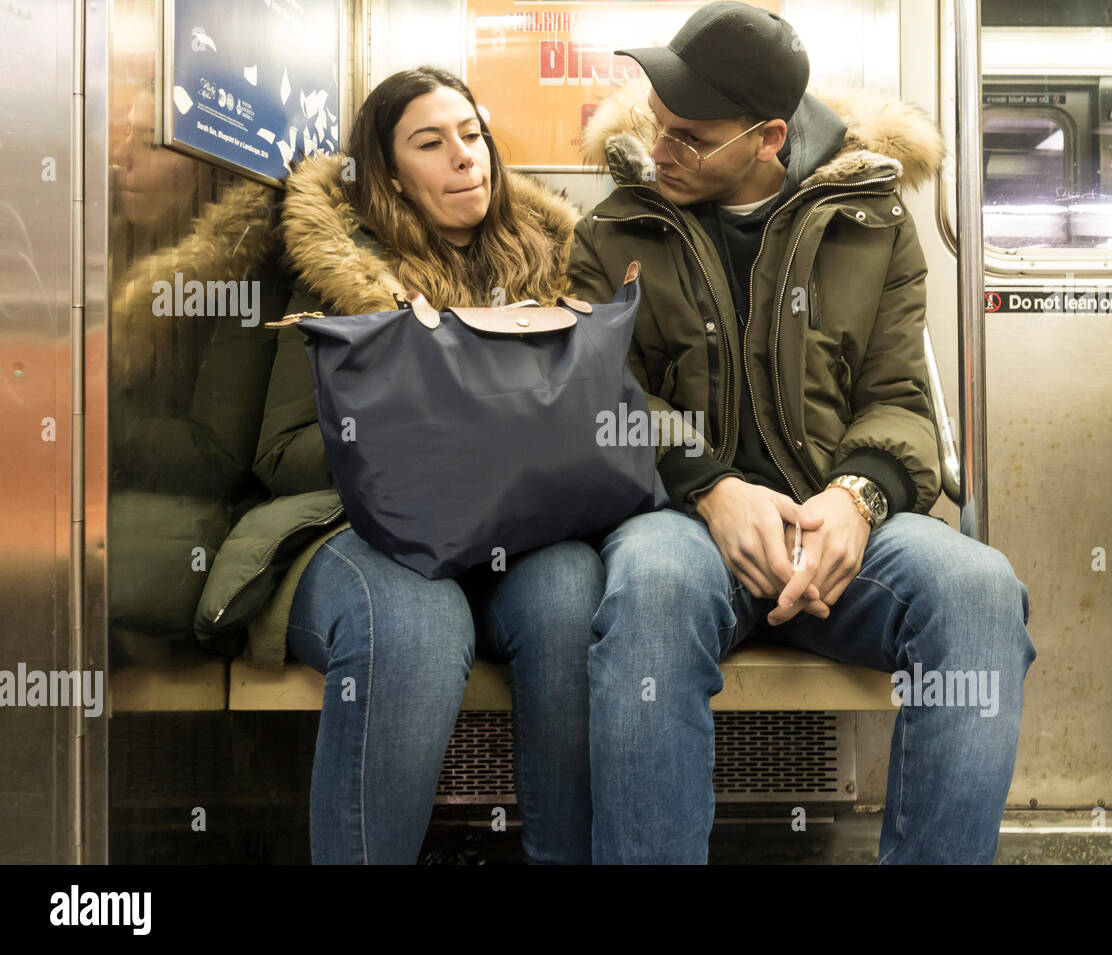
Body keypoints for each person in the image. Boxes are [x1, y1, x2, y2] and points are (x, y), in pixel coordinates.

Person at [570, 1, 1036, 863]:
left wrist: (855, 500)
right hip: (684, 519)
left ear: (768, 138)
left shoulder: (872, 223)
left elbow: (898, 396)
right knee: (653, 594)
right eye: (657, 124)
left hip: (834, 523)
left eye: (689, 136)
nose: (658, 148)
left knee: (979, 592)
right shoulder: (611, 232)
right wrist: (712, 488)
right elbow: (600, 399)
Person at [196, 67, 601, 864]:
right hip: (354, 530)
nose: (465, 157)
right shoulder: (339, 271)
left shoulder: (555, 267)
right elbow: (279, 455)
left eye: (472, 134)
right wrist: (423, 440)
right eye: (431, 142)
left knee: (570, 596)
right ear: (386, 176)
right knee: (415, 625)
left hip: (515, 531)